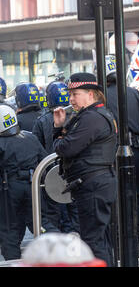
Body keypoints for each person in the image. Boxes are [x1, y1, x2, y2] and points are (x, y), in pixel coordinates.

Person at [53, 72, 118, 267]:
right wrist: (60, 129)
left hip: (93, 185)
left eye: (76, 94)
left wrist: (58, 133)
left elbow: (65, 148)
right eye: (70, 94)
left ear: (91, 94)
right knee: (100, 240)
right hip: (94, 184)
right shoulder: (92, 115)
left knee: (93, 242)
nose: (71, 99)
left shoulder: (92, 118)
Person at [105, 56, 139, 256]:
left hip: (108, 157)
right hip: (135, 154)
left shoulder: (99, 98)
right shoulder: (136, 95)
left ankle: (118, 247)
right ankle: (134, 246)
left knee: (113, 202)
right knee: (135, 202)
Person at [0, 104, 48, 260]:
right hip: (33, 187)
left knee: (10, 231)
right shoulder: (30, 137)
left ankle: (14, 262)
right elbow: (45, 163)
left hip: (8, 189)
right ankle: (52, 256)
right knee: (40, 224)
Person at [32, 81, 79, 234]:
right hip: (74, 171)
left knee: (54, 213)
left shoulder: (43, 120)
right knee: (75, 211)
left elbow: (36, 147)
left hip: (50, 174)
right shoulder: (78, 115)